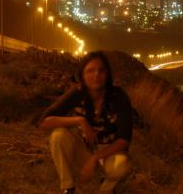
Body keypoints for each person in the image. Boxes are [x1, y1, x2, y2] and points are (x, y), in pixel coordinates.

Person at [39, 51, 133, 194]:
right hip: (83, 150)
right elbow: (44, 121)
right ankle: (68, 187)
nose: (96, 75)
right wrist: (79, 120)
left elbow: (124, 139)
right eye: (90, 71)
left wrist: (95, 158)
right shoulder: (77, 93)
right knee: (58, 135)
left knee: (122, 166)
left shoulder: (118, 96)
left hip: (110, 153)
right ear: (82, 75)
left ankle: (105, 188)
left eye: (101, 70)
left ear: (107, 74)